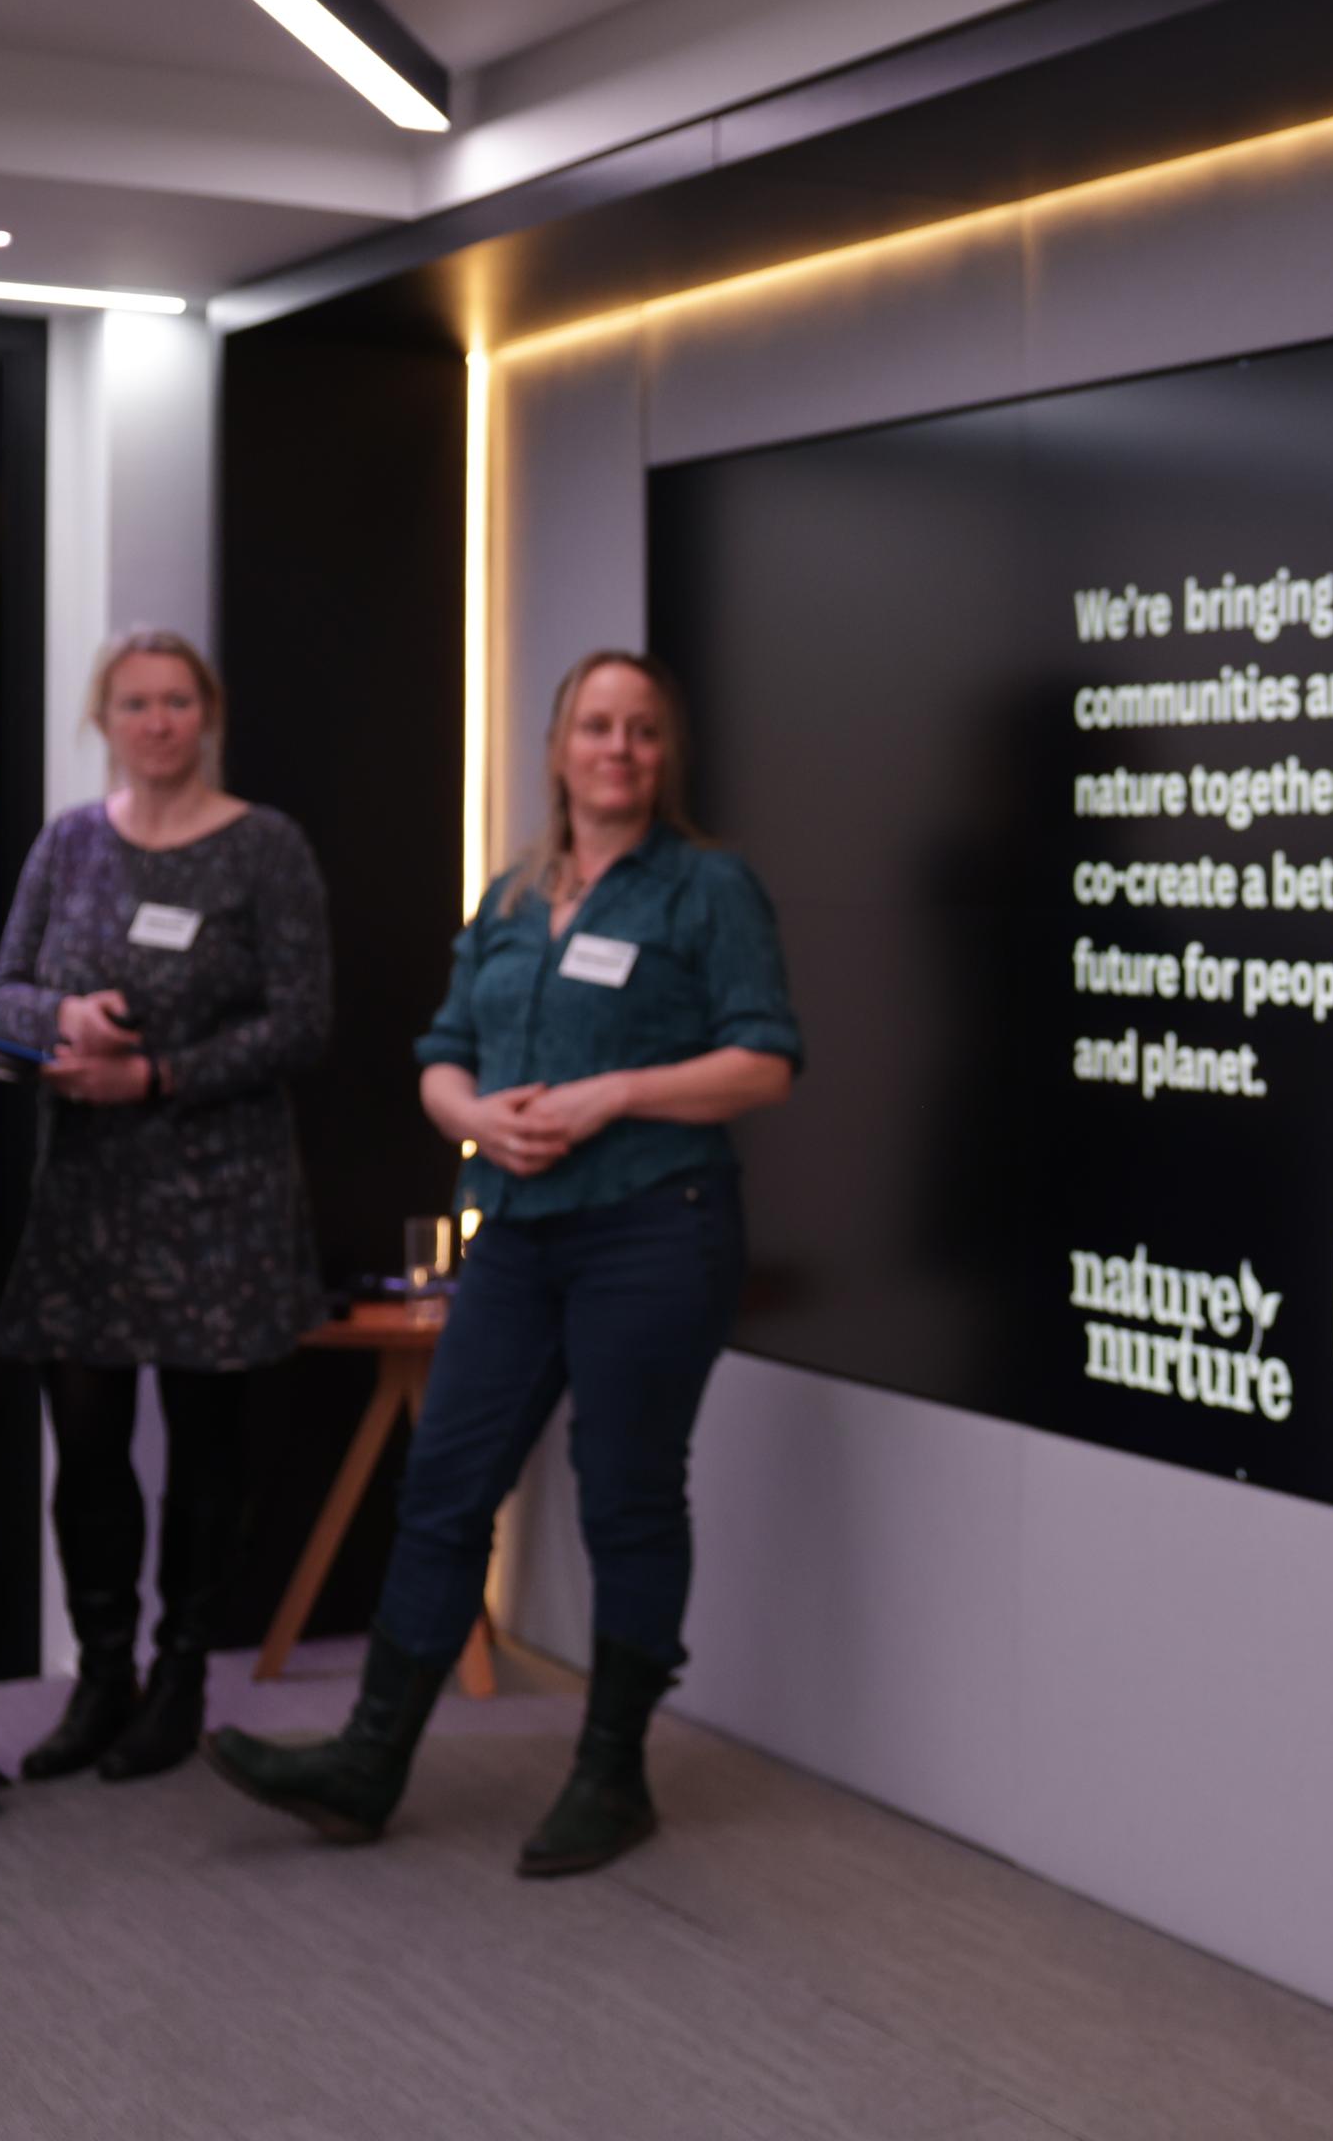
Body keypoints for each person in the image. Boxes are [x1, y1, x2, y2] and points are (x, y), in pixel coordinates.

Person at [209, 648, 800, 1878]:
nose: (619, 748)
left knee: (625, 1490)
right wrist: (476, 1117)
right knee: (442, 1485)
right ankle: (368, 1761)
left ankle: (613, 1771)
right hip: (519, 1236)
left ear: (663, 754)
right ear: (559, 747)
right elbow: (442, 1057)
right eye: (598, 725)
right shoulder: (514, 897)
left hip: (656, 1223)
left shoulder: (707, 889)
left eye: (642, 730)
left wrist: (615, 1095)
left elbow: (765, 1060)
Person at [0, 628, 333, 1784]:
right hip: (89, 1193)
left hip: (217, 1194)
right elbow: (4, 988)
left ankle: (181, 1674)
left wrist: (161, 1074)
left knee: (204, 1446)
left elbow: (303, 1020)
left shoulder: (265, 848)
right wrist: (65, 1021)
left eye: (177, 700)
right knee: (85, 1442)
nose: (157, 721)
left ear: (208, 713)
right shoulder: (70, 844)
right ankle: (101, 1673)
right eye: (134, 702)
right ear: (105, 717)